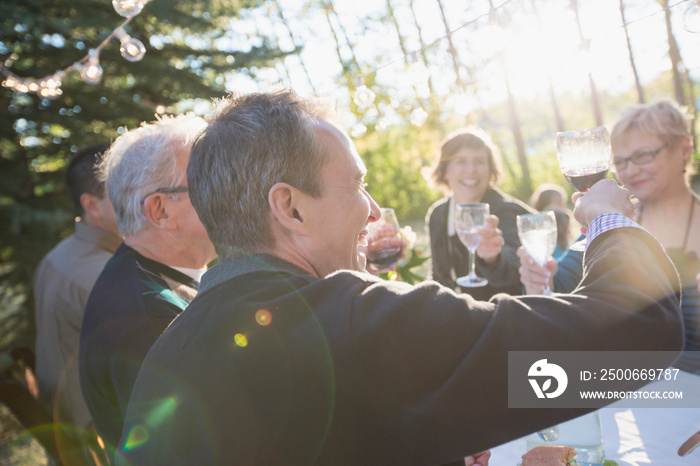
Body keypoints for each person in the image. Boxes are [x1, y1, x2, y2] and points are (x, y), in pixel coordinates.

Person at [116, 90, 682, 466]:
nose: (371, 211)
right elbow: (631, 344)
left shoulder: (170, 351)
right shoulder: (358, 321)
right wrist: (608, 221)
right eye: (357, 186)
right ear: (289, 208)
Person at [519, 99, 700, 373]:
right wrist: (538, 282)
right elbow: (560, 285)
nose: (629, 171)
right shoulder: (615, 225)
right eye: (621, 161)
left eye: (642, 156)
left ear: (684, 150)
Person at [79, 115, 217, 458]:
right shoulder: (150, 321)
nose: (228, 192)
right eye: (208, 182)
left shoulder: (147, 276)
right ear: (159, 210)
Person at [33, 144, 122, 463]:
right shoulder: (106, 278)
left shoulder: (56, 257)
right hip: (100, 449)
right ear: (92, 206)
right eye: (125, 188)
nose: (143, 199)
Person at [425, 129, 535, 300]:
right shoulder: (438, 214)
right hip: (452, 317)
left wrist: (493, 258)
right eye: (461, 161)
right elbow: (439, 276)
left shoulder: (509, 211)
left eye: (479, 161)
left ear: (491, 170)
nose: (471, 170)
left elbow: (514, 267)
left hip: (500, 317)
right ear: (445, 171)